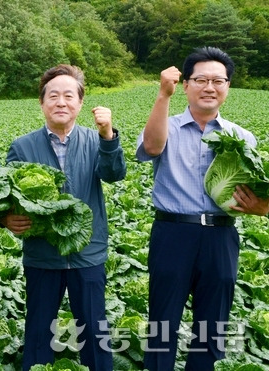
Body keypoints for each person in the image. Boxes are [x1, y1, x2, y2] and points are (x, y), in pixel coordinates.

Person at [137, 46, 269, 370]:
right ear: (186, 85)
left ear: (227, 87)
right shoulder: (165, 126)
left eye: (218, 81)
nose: (210, 87)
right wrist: (162, 96)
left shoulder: (242, 137)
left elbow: (256, 192)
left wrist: (260, 208)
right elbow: (151, 147)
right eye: (201, 79)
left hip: (221, 237)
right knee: (162, 324)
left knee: (213, 327)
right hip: (173, 232)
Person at [0, 64, 126, 371]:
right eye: (53, 95)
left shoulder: (95, 140)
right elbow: (7, 195)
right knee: (40, 331)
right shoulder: (22, 146)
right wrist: (6, 218)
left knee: (95, 331)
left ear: (80, 103)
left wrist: (108, 136)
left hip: (88, 254)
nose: (61, 102)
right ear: (41, 103)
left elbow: (114, 174)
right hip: (43, 255)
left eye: (69, 96)